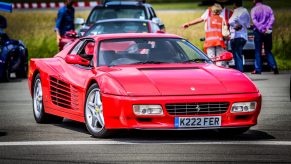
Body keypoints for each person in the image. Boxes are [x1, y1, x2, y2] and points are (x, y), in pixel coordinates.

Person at [251, 0, 279, 74]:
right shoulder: (268, 8)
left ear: (255, 1)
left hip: (258, 32)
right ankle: (273, 66)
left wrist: (261, 28)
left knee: (258, 50)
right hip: (268, 31)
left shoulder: (254, 9)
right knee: (268, 50)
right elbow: (272, 19)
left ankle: (258, 69)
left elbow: (255, 21)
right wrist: (267, 27)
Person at [228, 0, 250, 72]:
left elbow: (230, 21)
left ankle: (239, 72)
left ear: (235, 4)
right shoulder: (245, 11)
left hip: (236, 36)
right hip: (244, 36)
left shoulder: (236, 10)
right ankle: (240, 71)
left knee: (237, 56)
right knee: (239, 55)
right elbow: (248, 25)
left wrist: (235, 26)